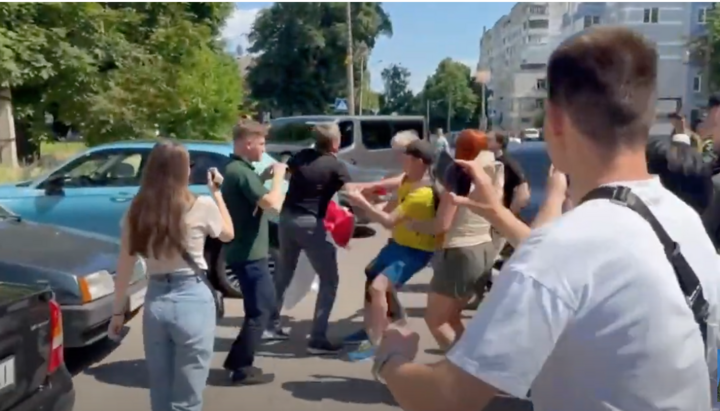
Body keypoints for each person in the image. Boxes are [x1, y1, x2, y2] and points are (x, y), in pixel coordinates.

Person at [371, 26, 720, 411]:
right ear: (647, 116)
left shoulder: (564, 247)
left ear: (555, 119)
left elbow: (444, 397)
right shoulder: (681, 219)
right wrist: (501, 213)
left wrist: (391, 358)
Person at [108, 140, 234, 411]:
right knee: (188, 398)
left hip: (156, 301)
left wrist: (117, 313)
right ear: (183, 171)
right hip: (193, 299)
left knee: (161, 394)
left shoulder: (136, 211)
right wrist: (217, 193)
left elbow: (125, 265)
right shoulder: (201, 205)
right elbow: (227, 233)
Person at [406, 129, 503, 351]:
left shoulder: (459, 172)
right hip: (484, 246)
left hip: (461, 250)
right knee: (452, 318)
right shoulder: (493, 168)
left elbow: (442, 224)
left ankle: (462, 376)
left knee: (436, 321)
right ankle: (473, 369)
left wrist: (415, 224)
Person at [344, 139, 438, 362]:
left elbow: (388, 221)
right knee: (370, 276)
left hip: (415, 251)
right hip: (398, 245)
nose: (399, 159)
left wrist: (362, 202)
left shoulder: (423, 194)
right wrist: (366, 198)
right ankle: (371, 328)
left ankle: (378, 343)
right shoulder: (408, 180)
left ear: (417, 161)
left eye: (404, 156)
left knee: (378, 287)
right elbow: (387, 204)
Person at [269, 122, 353, 355]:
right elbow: (352, 193)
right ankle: (317, 338)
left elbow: (286, 170)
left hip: (286, 221)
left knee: (283, 272)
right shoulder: (336, 166)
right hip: (310, 225)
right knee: (329, 280)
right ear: (336, 143)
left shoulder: (302, 156)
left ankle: (270, 324)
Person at [222, 120, 287, 385]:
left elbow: (251, 196)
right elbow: (272, 204)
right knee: (260, 311)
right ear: (247, 144)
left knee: (262, 306)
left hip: (249, 253)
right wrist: (279, 178)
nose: (263, 149)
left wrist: (264, 178)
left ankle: (237, 360)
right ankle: (241, 368)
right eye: (261, 144)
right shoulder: (239, 171)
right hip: (248, 255)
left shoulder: (241, 170)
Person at [488, 131, 530, 216]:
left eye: (489, 140)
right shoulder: (494, 160)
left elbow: (522, 182)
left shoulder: (506, 162)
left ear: (498, 144)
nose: (485, 142)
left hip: (505, 209)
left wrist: (513, 210)